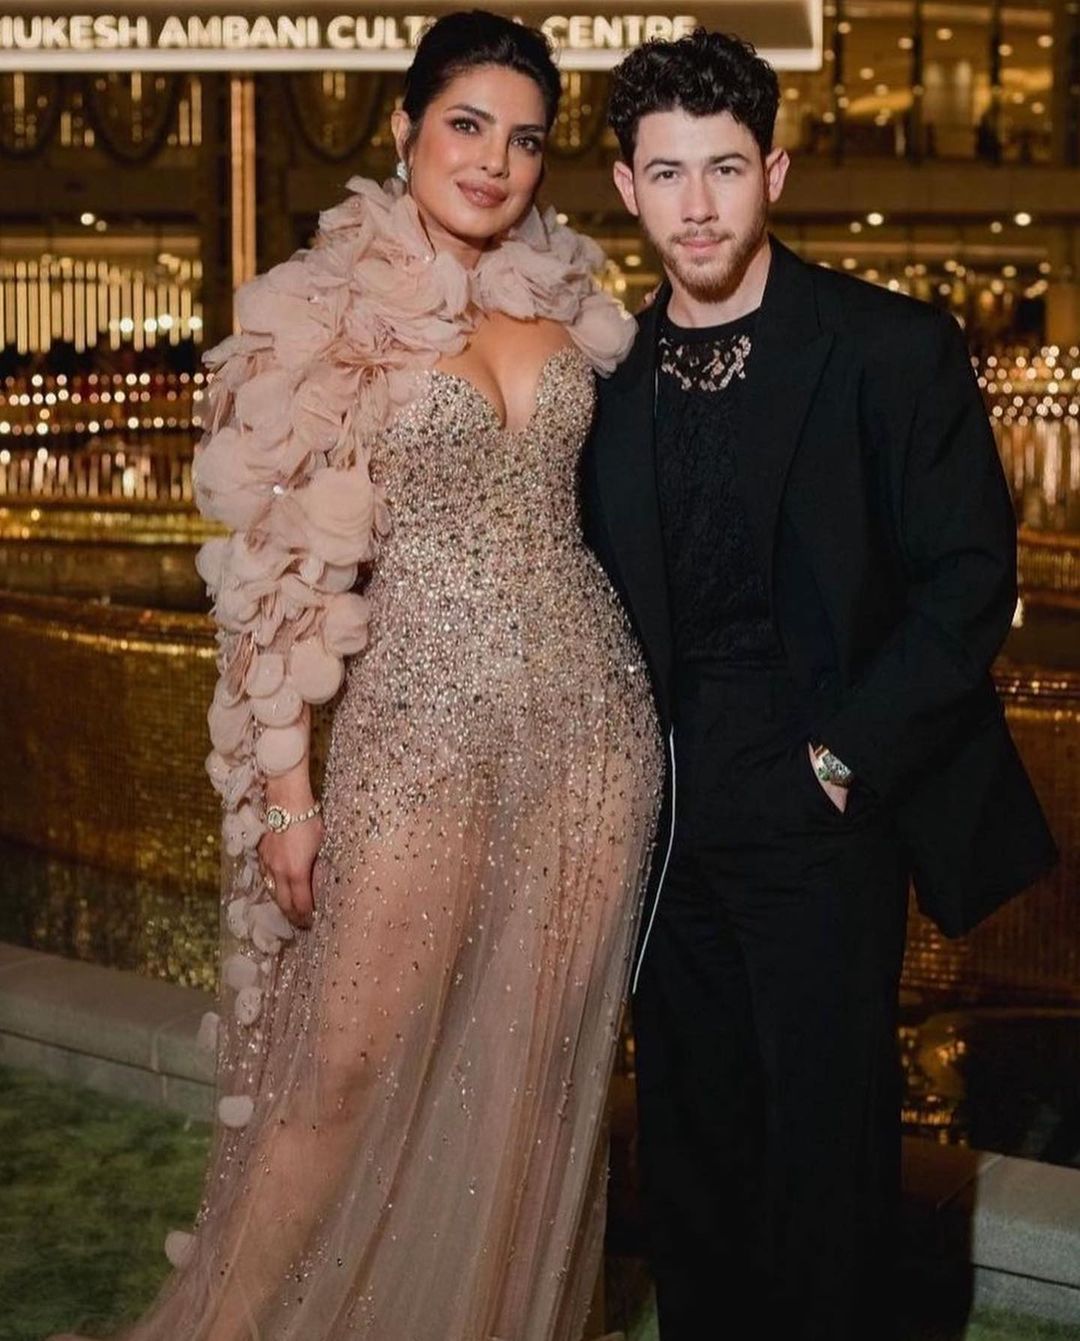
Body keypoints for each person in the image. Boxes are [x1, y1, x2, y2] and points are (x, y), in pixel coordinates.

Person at [50, 12, 660, 1340]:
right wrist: (286, 791)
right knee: (340, 1065)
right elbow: (268, 579)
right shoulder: (320, 309)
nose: (493, 162)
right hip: (414, 730)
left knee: (535, 1074)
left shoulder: (571, 301)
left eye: (524, 141)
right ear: (403, 127)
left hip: (591, 729)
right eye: (466, 125)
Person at [580, 29, 1057, 1341]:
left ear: (774, 171)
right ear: (625, 187)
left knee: (827, 1160)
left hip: (823, 811)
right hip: (665, 822)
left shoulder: (886, 348)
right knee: (691, 1153)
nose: (697, 205)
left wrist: (840, 762)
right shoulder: (607, 376)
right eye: (667, 172)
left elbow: (971, 582)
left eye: (724, 168)